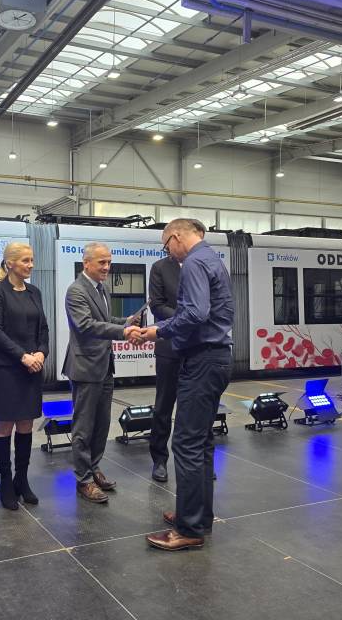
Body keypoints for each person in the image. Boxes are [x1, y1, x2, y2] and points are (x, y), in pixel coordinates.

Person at [140, 219, 233, 551]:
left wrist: (157, 331)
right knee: (202, 442)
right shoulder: (212, 259)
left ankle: (189, 529)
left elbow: (195, 314)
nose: (169, 253)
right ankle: (198, 515)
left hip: (202, 359)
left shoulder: (193, 262)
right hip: (217, 358)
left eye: (167, 246)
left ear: (176, 237)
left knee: (186, 444)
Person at [62, 242, 143, 503]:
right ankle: (83, 480)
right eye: (102, 262)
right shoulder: (76, 291)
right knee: (84, 428)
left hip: (105, 366)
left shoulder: (102, 288)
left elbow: (105, 320)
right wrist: (123, 332)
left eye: (109, 262)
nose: (107, 267)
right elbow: (86, 325)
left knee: (101, 425)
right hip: (85, 368)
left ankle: (94, 468)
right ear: (86, 263)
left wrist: (126, 321)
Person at [0, 243, 49, 511]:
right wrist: (23, 356)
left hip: (32, 368)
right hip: (8, 368)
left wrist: (41, 353)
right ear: (10, 263)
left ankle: (22, 479)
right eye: (25, 260)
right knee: (5, 427)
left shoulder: (35, 292)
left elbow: (43, 329)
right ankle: (5, 482)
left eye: (32, 260)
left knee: (26, 425)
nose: (31, 265)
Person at [148, 253, 182, 483]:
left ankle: (198, 460)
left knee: (197, 407)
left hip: (198, 348)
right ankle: (159, 460)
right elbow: (157, 306)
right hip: (169, 347)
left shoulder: (201, 264)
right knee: (163, 407)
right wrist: (187, 317)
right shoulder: (160, 268)